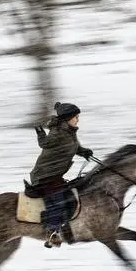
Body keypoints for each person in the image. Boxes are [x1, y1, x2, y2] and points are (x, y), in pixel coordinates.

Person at [30, 102, 94, 248]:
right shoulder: (58, 132)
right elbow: (46, 144)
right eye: (75, 117)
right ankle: (52, 232)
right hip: (44, 174)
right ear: (67, 119)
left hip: (54, 174)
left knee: (68, 197)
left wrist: (83, 151)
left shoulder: (70, 132)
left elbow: (72, 146)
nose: (78, 120)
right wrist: (41, 136)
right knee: (58, 202)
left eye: (78, 117)